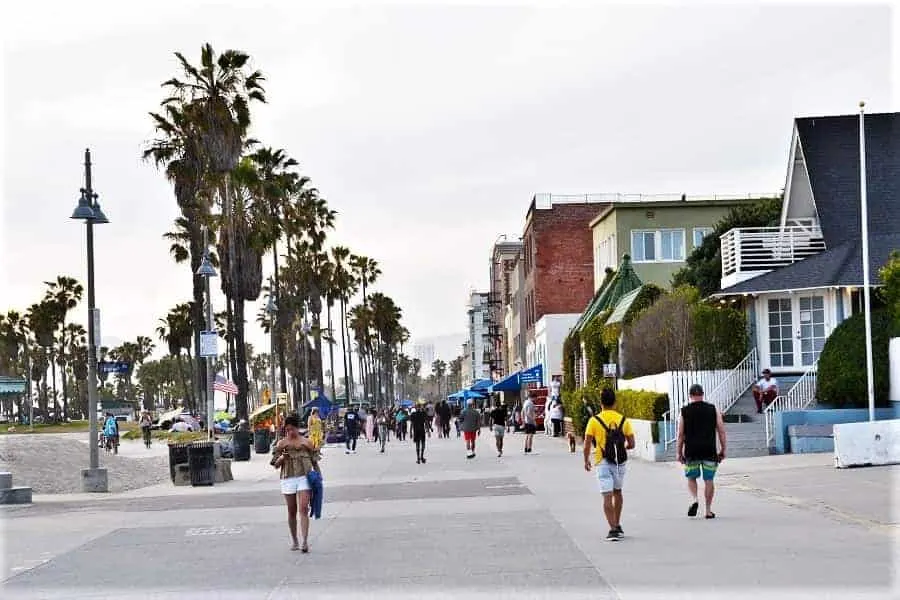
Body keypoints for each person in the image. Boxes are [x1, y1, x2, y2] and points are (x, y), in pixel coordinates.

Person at [583, 388, 635, 541]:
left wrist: (586, 460)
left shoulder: (594, 421)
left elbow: (587, 443)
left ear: (601, 403)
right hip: (619, 462)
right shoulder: (623, 420)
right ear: (615, 402)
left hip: (602, 461)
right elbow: (632, 443)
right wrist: (621, 448)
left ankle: (612, 529)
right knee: (617, 492)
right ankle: (618, 524)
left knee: (607, 495)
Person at [676, 384, 727, 520]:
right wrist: (723, 449)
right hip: (709, 449)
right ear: (702, 394)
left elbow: (680, 434)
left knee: (691, 477)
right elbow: (721, 430)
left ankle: (694, 499)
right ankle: (708, 510)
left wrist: (679, 452)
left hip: (691, 450)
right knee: (709, 479)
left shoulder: (684, 411)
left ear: (690, 395)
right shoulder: (713, 409)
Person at [271, 414, 320, 552]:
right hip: (288, 478)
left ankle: (305, 541)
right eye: (287, 430)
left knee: (303, 508)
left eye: (292, 429)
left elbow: (314, 462)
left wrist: (318, 478)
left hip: (304, 477)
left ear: (298, 428)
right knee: (291, 510)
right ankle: (295, 540)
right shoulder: (282, 444)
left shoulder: (307, 443)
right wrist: (282, 457)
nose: (290, 432)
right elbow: (275, 464)